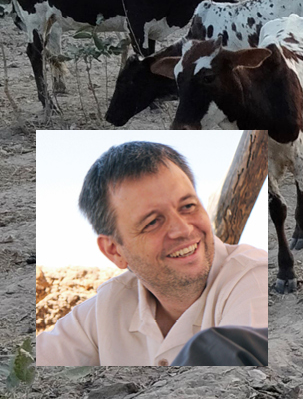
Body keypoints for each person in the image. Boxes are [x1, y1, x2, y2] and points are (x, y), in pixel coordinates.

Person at [37, 141, 268, 366]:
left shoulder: (254, 279)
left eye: (187, 206)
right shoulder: (102, 314)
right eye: (153, 222)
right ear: (114, 250)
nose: (183, 229)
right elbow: (20, 373)